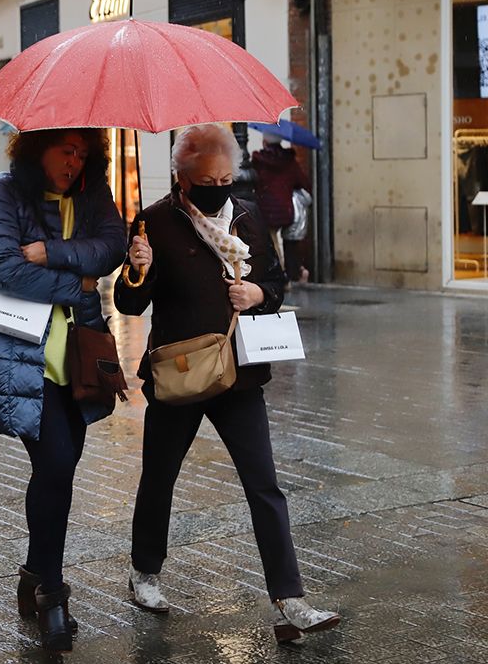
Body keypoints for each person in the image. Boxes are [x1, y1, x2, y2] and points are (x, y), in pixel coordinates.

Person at [114, 124, 340, 644]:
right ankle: (144, 572)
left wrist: (258, 293)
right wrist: (136, 268)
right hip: (182, 368)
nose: (218, 185)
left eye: (224, 176)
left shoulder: (247, 216)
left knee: (264, 485)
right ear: (182, 177)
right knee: (159, 478)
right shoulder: (152, 223)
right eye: (206, 178)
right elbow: (130, 305)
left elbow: (278, 284)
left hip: (239, 373)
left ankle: (290, 600)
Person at [0, 128, 127, 652]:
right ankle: (53, 596)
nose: (74, 161)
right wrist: (76, 280)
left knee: (59, 468)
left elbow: (111, 248)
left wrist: (53, 252)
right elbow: (5, 270)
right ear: (36, 147)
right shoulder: (2, 192)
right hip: (21, 354)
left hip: (76, 354)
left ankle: (35, 573)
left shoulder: (91, 193)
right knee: (57, 463)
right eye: (66, 150)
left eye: (83, 152)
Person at [252, 133, 310, 282]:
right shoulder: (290, 161)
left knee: (272, 242)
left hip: (265, 210)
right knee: (290, 244)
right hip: (286, 210)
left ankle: (280, 276)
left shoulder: (258, 161)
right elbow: (303, 182)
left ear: (265, 142)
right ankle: (293, 274)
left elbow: (253, 181)